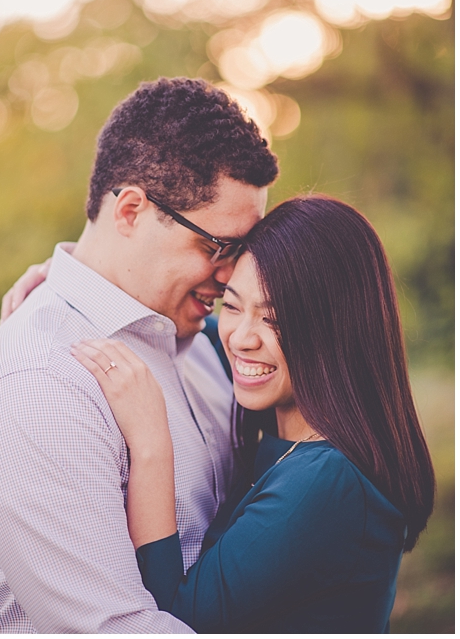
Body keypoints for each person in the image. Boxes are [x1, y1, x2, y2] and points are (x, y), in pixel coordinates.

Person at [0, 77, 279, 632]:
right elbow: (115, 628)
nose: (231, 273)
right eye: (217, 246)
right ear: (131, 212)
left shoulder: (202, 340)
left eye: (244, 250)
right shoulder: (35, 388)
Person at [72, 195, 435, 632]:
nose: (241, 339)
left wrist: (150, 445)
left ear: (338, 328)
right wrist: (67, 282)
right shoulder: (289, 407)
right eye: (232, 304)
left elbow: (173, 623)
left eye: (275, 318)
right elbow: (174, 311)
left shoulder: (325, 483)